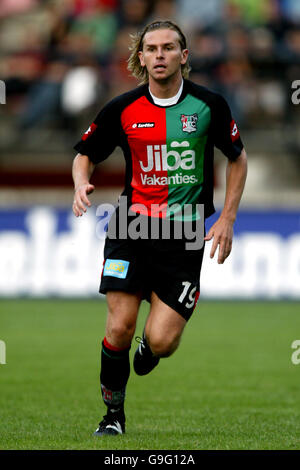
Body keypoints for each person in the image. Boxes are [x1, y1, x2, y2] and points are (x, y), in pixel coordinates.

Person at [72, 20, 247, 436]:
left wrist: (226, 217)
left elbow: (237, 158)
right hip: (131, 228)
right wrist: (81, 184)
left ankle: (150, 347)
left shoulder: (210, 106)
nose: (160, 55)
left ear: (183, 57)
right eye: (152, 49)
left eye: (169, 48)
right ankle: (113, 416)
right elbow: (85, 153)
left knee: (164, 341)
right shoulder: (123, 108)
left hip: (184, 236)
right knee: (118, 326)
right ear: (142, 57)